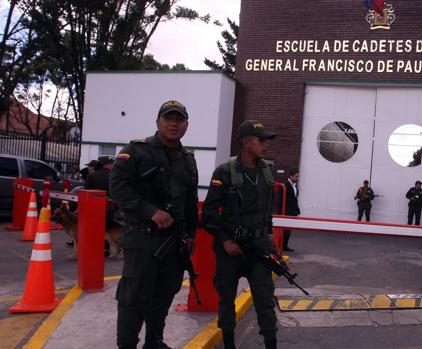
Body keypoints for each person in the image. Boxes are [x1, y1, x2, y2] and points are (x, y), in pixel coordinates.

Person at [110, 100, 198, 349]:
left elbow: (190, 202)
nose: (174, 123)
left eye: (179, 119)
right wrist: (150, 211)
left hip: (174, 241)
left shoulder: (188, 159)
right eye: (168, 118)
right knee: (134, 296)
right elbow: (117, 187)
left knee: (164, 293)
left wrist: (191, 233)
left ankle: (154, 342)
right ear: (157, 122)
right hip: (143, 238)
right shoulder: (137, 151)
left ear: (186, 125)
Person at [201, 120, 278, 349]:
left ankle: (271, 343)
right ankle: (229, 344)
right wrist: (225, 241)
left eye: (267, 140)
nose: (266, 145)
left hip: (258, 248)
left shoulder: (266, 171)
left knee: (265, 300)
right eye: (260, 140)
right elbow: (209, 214)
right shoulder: (224, 172)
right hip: (230, 249)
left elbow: (267, 211)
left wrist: (270, 237)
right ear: (245, 142)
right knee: (226, 299)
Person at [85, 155, 116, 257]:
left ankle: (93, 249)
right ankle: (105, 250)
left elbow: (86, 192)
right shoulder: (113, 175)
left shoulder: (91, 176)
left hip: (93, 207)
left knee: (94, 229)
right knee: (106, 229)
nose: (113, 165)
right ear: (106, 164)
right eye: (112, 163)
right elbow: (116, 192)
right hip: (108, 208)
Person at [280, 168, 300, 251]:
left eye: (298, 176)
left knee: (289, 230)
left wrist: (296, 210)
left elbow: (294, 199)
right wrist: (282, 213)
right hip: (286, 212)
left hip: (292, 212)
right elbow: (281, 200)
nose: (297, 178)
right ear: (291, 176)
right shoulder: (285, 185)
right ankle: (282, 246)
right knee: (285, 230)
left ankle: (284, 246)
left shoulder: (294, 186)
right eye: (296, 176)